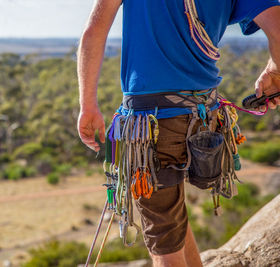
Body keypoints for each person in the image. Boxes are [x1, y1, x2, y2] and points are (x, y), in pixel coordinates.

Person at [77, 0, 280, 266]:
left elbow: (95, 30)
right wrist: (275, 70)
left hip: (149, 125)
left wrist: (88, 105)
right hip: (207, 118)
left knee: (164, 240)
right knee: (171, 218)